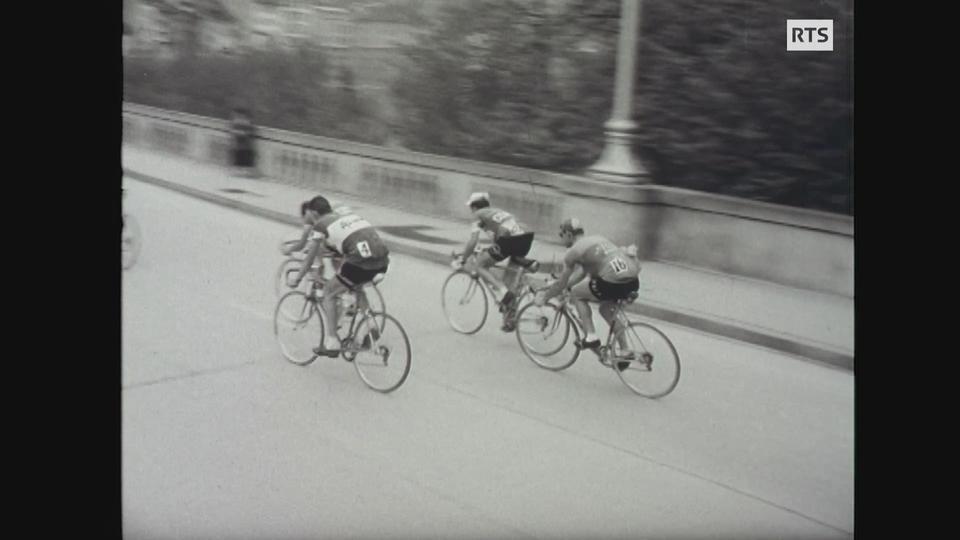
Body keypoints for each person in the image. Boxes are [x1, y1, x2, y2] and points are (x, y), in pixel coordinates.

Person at [289, 196, 390, 356]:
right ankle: (371, 325)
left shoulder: (321, 225)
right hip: (383, 261)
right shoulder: (346, 217)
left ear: (314, 212)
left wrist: (298, 278)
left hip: (360, 262)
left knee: (329, 292)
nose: (307, 219)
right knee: (356, 286)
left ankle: (332, 342)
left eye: (308, 214)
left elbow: (310, 257)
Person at [534, 218, 640, 370]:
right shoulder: (598, 239)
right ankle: (625, 350)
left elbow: (563, 282)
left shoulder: (573, 252)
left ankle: (591, 336)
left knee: (577, 294)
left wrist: (545, 297)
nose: (561, 239)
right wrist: (564, 285)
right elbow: (583, 273)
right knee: (605, 309)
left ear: (569, 234)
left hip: (612, 281)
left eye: (561, 235)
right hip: (632, 281)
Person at [455, 192, 539, 331]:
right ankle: (510, 319)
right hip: (525, 239)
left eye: (471, 207)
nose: (471, 211)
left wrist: (463, 259)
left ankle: (503, 291)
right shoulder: (496, 213)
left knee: (480, 265)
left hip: (510, 241)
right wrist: (487, 250)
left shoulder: (478, 215)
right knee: (509, 282)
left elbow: (473, 241)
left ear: (475, 207)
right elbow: (497, 240)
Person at [230, 107, 258, 178]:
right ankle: (243, 173)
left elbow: (250, 132)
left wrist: (241, 133)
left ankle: (244, 173)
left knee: (244, 158)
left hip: (244, 145)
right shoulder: (240, 122)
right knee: (241, 158)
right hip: (241, 145)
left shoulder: (245, 122)